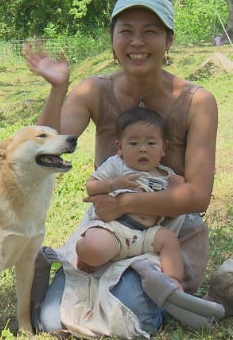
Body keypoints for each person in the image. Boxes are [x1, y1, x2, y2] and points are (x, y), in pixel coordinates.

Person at [24, 0, 224, 334]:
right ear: (113, 39)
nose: (137, 42)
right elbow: (45, 153)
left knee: (127, 316)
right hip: (109, 230)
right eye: (126, 30)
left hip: (168, 233)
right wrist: (58, 89)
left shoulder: (197, 101)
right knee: (50, 320)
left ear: (169, 40)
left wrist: (127, 202)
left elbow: (197, 196)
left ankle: (209, 289)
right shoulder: (93, 92)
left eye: (150, 31)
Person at [71, 106, 188, 292]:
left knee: (170, 240)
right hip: (116, 229)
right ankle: (85, 254)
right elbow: (91, 187)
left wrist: (178, 185)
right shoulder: (117, 164)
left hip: (146, 235)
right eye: (133, 144)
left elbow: (176, 203)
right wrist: (114, 184)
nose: (143, 150)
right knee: (94, 248)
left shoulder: (166, 175)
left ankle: (173, 281)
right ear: (120, 147)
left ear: (164, 148)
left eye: (151, 144)